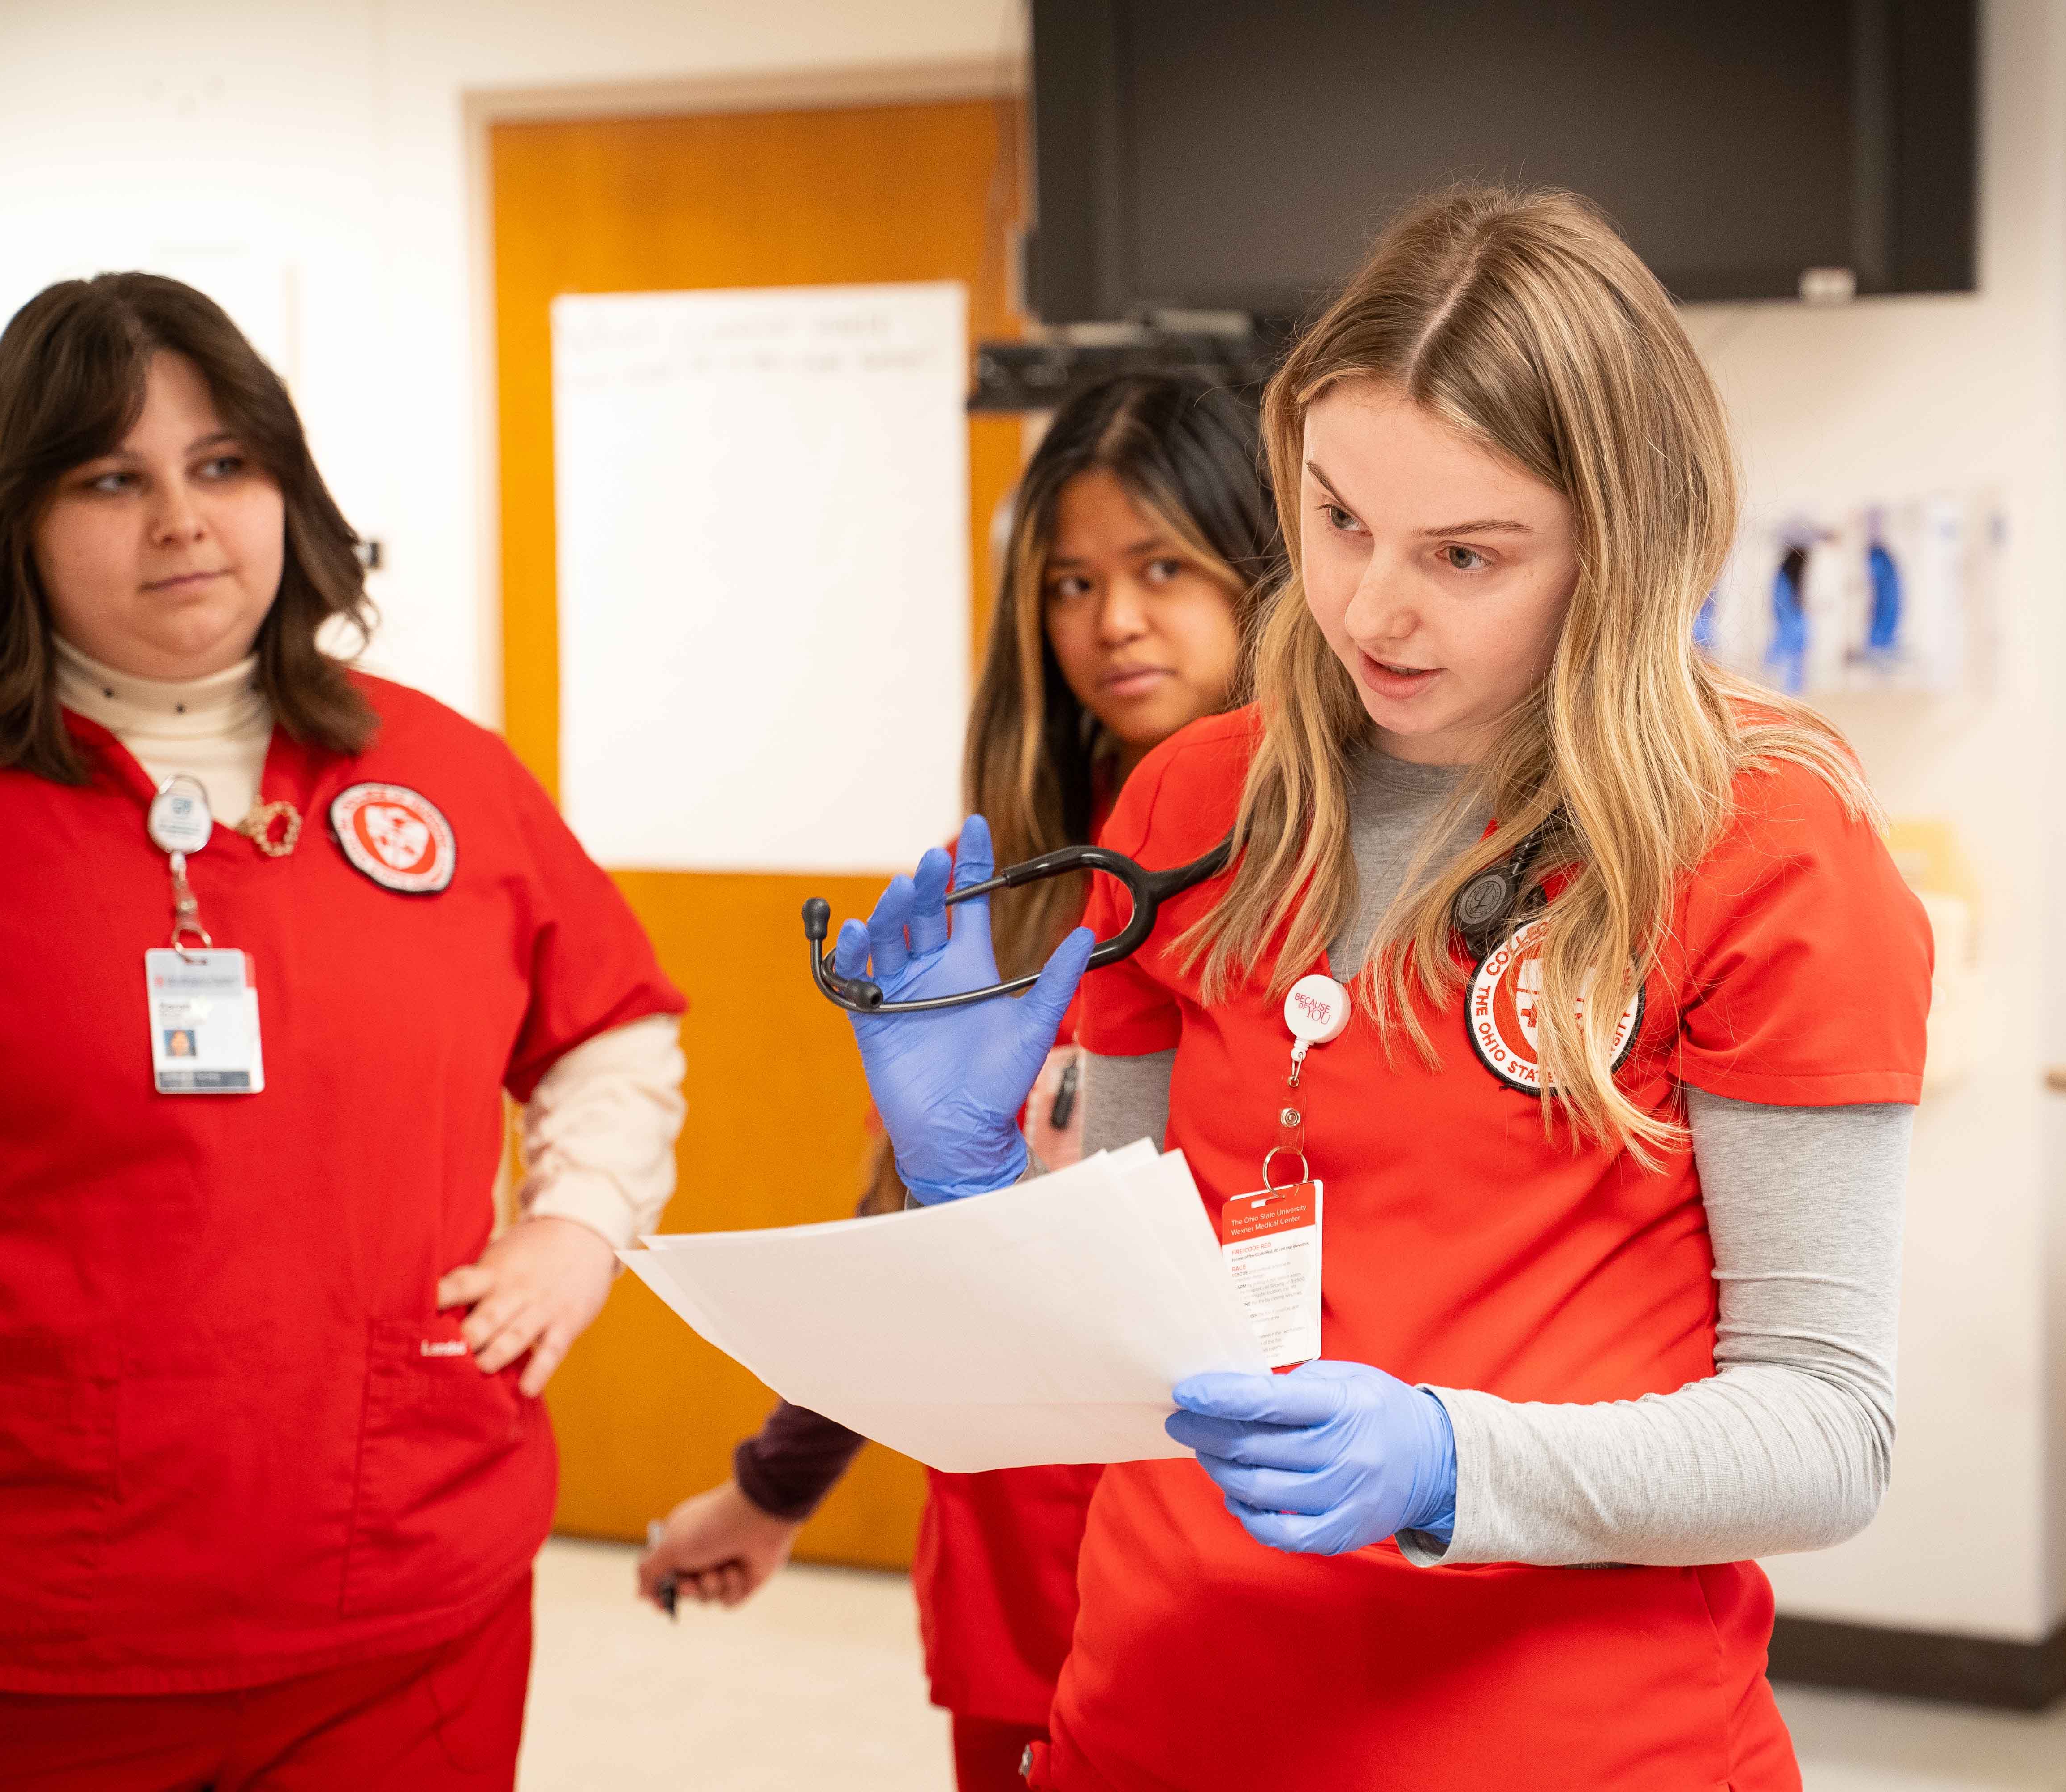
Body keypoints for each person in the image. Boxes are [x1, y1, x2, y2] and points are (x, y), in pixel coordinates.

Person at [823, 186, 1933, 1790]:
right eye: (1338, 521)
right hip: (1159, 1717)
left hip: (1563, 1750)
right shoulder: (1199, 805)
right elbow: (1126, 1345)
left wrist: (1451, 1461)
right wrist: (982, 1190)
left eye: (1465, 554)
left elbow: (1829, 1433)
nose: (1370, 610)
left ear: (1622, 551)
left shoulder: (1763, 849)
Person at [0, 274, 687, 1787]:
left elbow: (612, 1021)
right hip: (27, 1631)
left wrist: (582, 1226)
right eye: (111, 479)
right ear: (14, 521)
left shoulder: (439, 772)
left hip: (407, 1596)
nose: (182, 521)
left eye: (224, 465)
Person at [634, 372, 1278, 1790]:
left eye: (1164, 566)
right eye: (1072, 581)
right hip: (1021, 1552)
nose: (1112, 621)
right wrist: (771, 1489)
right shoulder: (1013, 885)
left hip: (1259, 1547)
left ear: (1269, 567)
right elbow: (917, 1231)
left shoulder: (1322, 880)